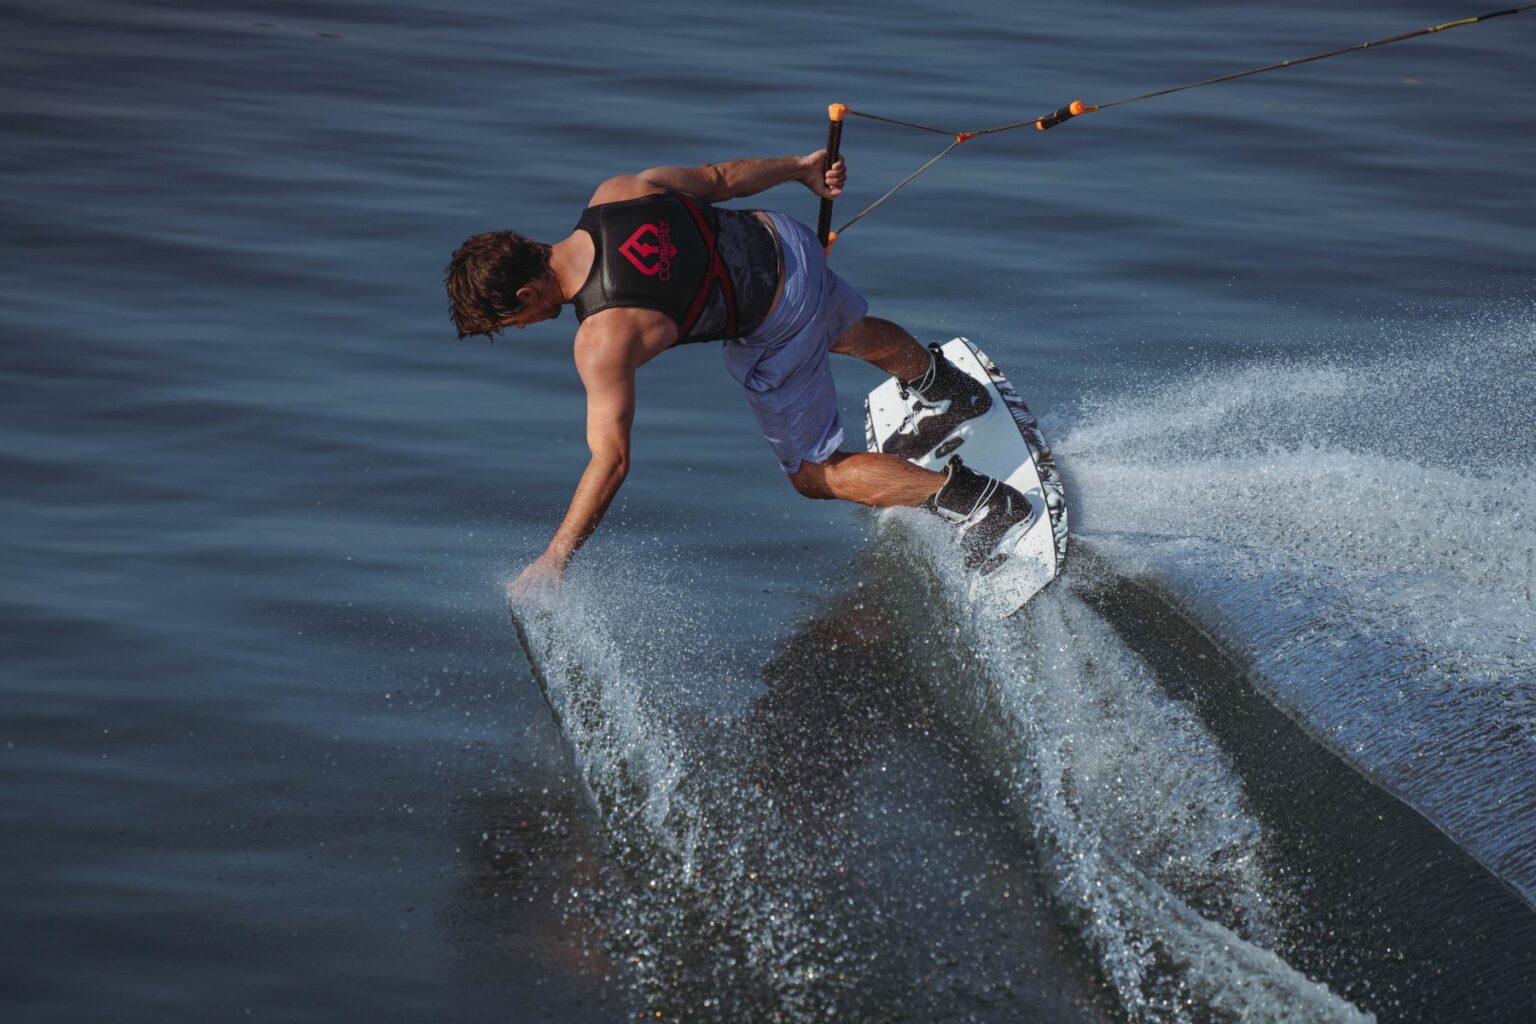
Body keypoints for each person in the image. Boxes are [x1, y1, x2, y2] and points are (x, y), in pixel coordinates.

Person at [444, 150, 1034, 601]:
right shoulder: (617, 193)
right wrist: (803, 168)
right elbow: (721, 179)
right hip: (787, 243)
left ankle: (980, 502)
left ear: (525, 292)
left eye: (514, 319)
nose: (523, 327)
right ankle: (948, 390)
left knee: (812, 473)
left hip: (777, 317)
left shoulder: (601, 340)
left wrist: (555, 558)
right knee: (839, 328)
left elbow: (612, 461)